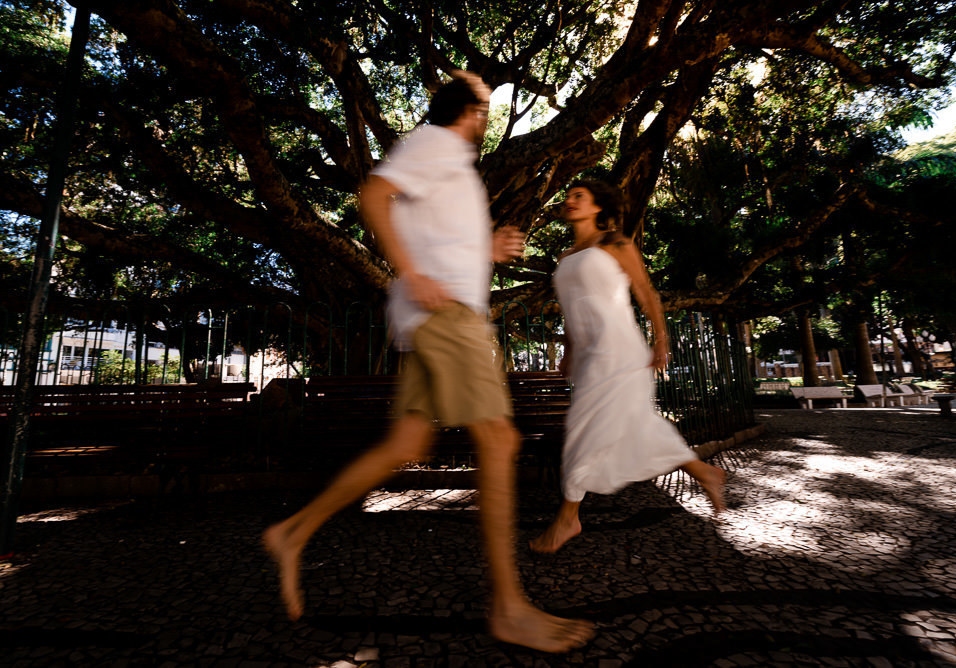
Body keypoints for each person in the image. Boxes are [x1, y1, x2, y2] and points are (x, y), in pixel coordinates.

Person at [263, 71, 593, 653]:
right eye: (485, 107)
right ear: (467, 110)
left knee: (406, 447)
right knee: (498, 438)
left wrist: (486, 248)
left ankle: (293, 532)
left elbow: (438, 237)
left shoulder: (454, 168)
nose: (488, 117)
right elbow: (372, 194)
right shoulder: (433, 142)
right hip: (446, 316)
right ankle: (508, 607)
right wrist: (410, 273)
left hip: (434, 316)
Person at [530, 180, 727, 554]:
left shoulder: (615, 243)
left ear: (597, 206)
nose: (569, 201)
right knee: (635, 427)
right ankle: (705, 472)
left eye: (579, 197)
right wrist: (569, 350)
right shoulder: (566, 255)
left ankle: (567, 518)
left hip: (620, 352)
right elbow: (572, 307)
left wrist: (662, 340)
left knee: (584, 431)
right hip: (590, 357)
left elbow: (645, 291)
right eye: (569, 196)